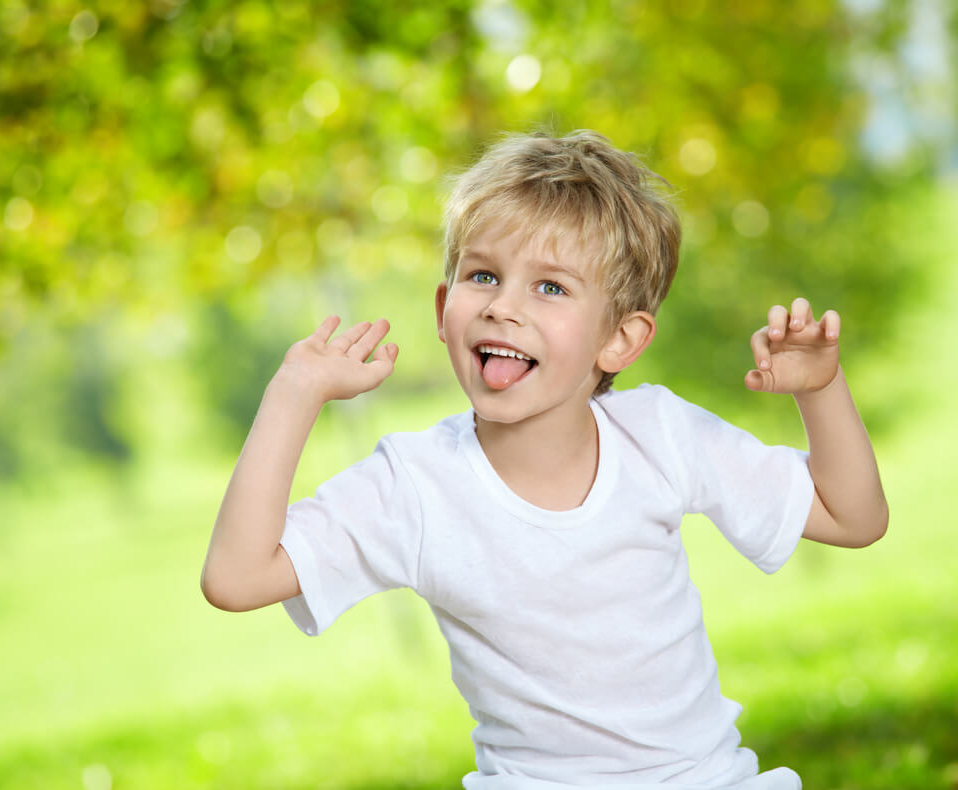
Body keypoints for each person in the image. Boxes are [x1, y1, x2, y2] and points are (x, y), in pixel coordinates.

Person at [201, 130, 888, 790]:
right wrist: (294, 394)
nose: (503, 307)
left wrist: (821, 390)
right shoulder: (415, 486)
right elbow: (236, 578)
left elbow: (852, 517)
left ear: (619, 340)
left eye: (550, 287)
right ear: (444, 310)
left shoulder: (660, 435)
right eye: (482, 275)